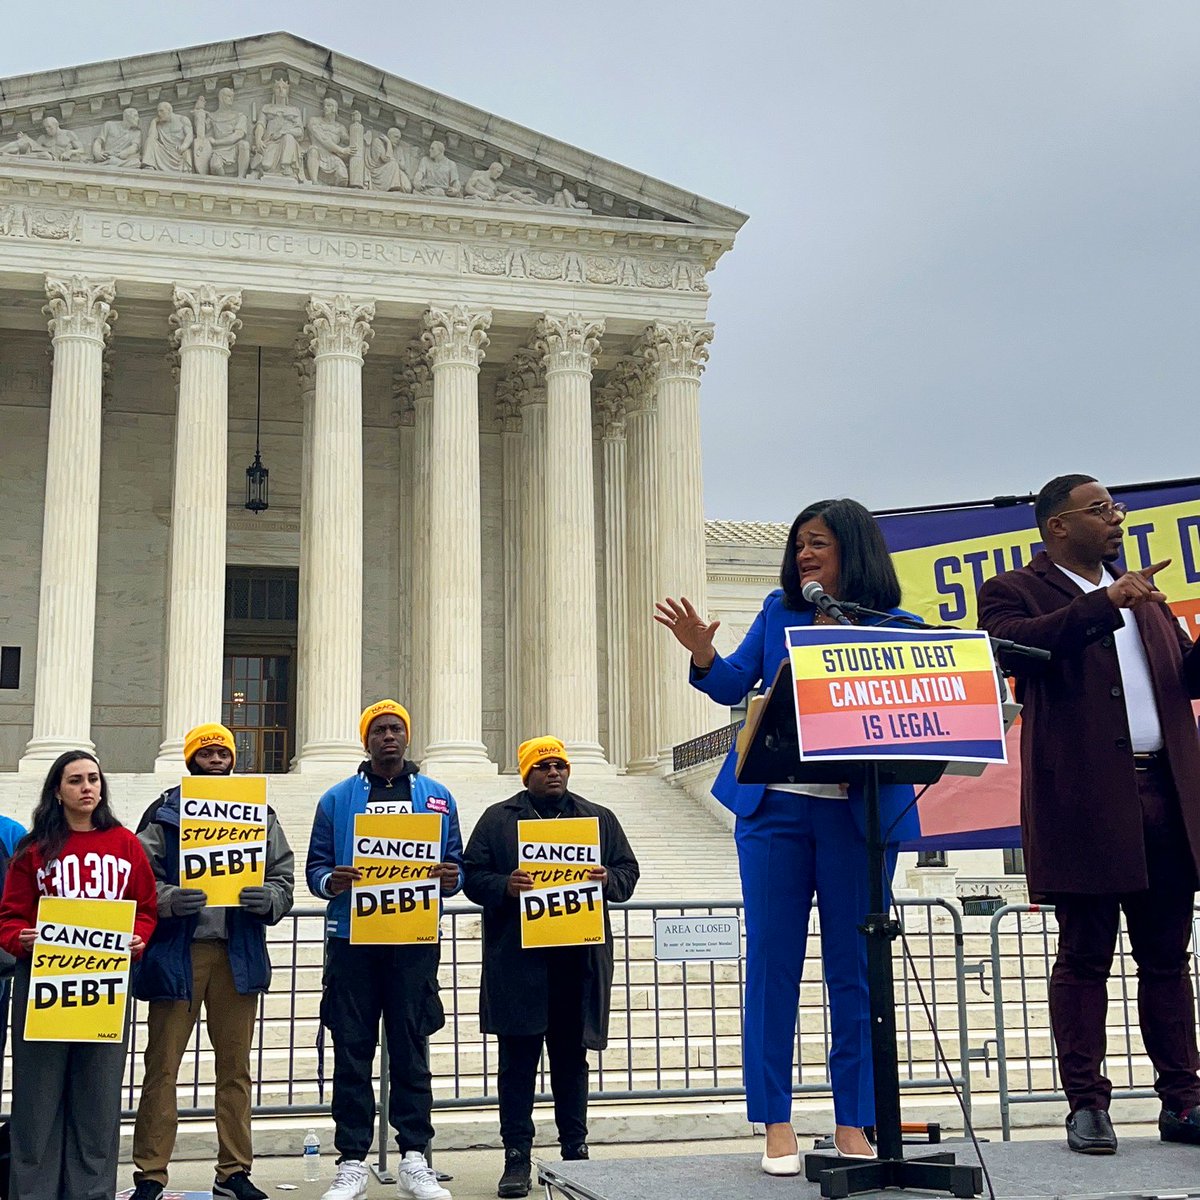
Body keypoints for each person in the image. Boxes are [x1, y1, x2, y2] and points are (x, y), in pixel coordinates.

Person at [657, 497, 919, 1174]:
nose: (804, 554)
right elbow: (731, 685)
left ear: (854, 550)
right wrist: (704, 653)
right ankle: (775, 1120)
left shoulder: (900, 629)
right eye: (800, 543)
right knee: (773, 966)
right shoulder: (779, 611)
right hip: (775, 812)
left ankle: (854, 1120)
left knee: (855, 972)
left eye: (818, 543)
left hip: (857, 819)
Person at [978, 474, 1200, 1155]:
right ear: (1058, 526)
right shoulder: (1014, 590)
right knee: (1084, 956)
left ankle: (1183, 1100)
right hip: (1082, 800)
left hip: (1165, 792)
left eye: (1116, 508)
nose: (1116, 519)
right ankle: (1087, 1104)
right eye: (1101, 509)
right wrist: (1107, 602)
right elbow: (1013, 647)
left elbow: (1187, 677)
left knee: (1167, 958)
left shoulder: (1148, 597)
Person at [463, 736, 640, 1198]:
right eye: (543, 767)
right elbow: (472, 876)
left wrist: (608, 879)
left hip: (575, 966)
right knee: (517, 1066)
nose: (554, 772)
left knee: (571, 1063)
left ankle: (575, 1151)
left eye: (560, 764)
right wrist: (505, 885)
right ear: (527, 775)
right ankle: (516, 1156)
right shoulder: (498, 819)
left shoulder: (598, 818)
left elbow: (628, 872)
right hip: (518, 964)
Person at [129, 723, 295, 1200]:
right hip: (179, 953)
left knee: (235, 1069)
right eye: (207, 753)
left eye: (223, 753)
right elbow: (138, 874)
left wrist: (270, 899)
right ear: (191, 760)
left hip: (236, 953)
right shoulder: (164, 811)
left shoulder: (258, 812)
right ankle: (150, 1173)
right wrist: (167, 899)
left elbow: (283, 875)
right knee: (162, 1066)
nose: (216, 760)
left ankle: (233, 1172)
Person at [307, 701, 464, 1200]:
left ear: (407, 737)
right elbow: (315, 868)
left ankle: (415, 1157)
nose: (389, 737)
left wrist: (451, 877)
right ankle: (352, 1161)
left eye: (396, 728)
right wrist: (331, 881)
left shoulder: (437, 797)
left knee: (411, 1049)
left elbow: (455, 863)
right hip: (353, 941)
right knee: (351, 1050)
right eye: (379, 730)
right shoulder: (337, 799)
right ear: (366, 740)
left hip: (413, 942)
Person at [0, 751, 157, 1200]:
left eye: (93, 779)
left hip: (105, 990)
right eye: (75, 780)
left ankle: (91, 1193)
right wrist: (21, 939)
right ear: (57, 790)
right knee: (37, 1103)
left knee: (98, 1101)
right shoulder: (34, 849)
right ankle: (33, 1193)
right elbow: (9, 917)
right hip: (43, 989)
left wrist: (139, 938)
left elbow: (145, 909)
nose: (87, 787)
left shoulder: (126, 845)